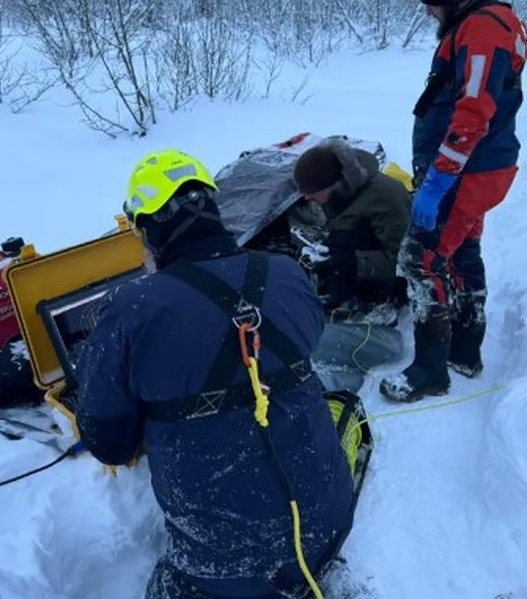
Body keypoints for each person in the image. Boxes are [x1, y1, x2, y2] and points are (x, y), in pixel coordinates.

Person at [72, 149, 355, 598]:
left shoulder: (132, 308)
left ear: (149, 229)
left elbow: (109, 443)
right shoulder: (287, 273)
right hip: (328, 524)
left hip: (223, 563)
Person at [379, 0, 527, 403]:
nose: (425, 8)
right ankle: (465, 350)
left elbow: (474, 110)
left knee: (421, 260)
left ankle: (429, 371)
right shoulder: (484, 24)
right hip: (477, 167)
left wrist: (440, 178)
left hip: (466, 170)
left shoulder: (483, 29)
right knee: (461, 251)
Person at [291, 139, 411, 392]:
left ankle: (377, 310)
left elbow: (402, 259)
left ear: (333, 184)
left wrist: (348, 263)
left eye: (312, 192)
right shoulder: (341, 193)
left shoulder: (385, 197)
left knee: (343, 251)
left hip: (393, 279)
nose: (308, 198)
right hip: (359, 260)